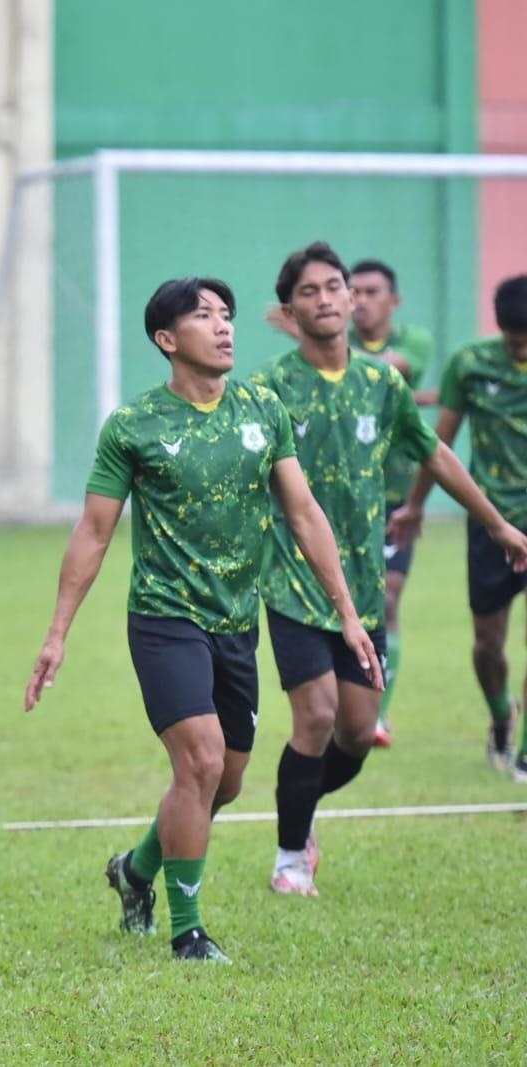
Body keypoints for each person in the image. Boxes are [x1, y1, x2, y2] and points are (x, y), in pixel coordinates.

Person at [27, 276, 372, 964]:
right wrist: (57, 632)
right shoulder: (134, 426)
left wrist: (348, 613)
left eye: (227, 315)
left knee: (225, 781)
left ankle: (135, 868)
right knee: (201, 759)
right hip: (164, 618)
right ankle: (188, 931)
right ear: (166, 339)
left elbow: (303, 513)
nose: (224, 327)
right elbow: (94, 532)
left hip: (236, 621)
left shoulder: (261, 409)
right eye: (204, 316)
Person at [254, 242, 527, 898]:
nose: (325, 298)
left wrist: (495, 523)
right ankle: (291, 856)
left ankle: (301, 808)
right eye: (309, 290)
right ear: (289, 309)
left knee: (354, 732)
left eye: (334, 286)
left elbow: (435, 454)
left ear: (352, 299)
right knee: (315, 718)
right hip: (294, 579)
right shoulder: (267, 388)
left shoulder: (382, 384)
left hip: (363, 584)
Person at [393, 274, 527, 781]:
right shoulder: (470, 364)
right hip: (492, 522)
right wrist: (415, 506)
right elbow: (439, 443)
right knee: (488, 643)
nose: (521, 349)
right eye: (516, 340)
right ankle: (500, 718)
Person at [346, 260, 437, 746]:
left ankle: (378, 714)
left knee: (387, 601)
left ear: (393, 300)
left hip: (395, 502)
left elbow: (393, 370)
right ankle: (347, 705)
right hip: (339, 504)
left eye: (371, 291)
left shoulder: (412, 342)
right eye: (353, 290)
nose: (360, 300)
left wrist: (317, 345)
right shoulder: (331, 348)